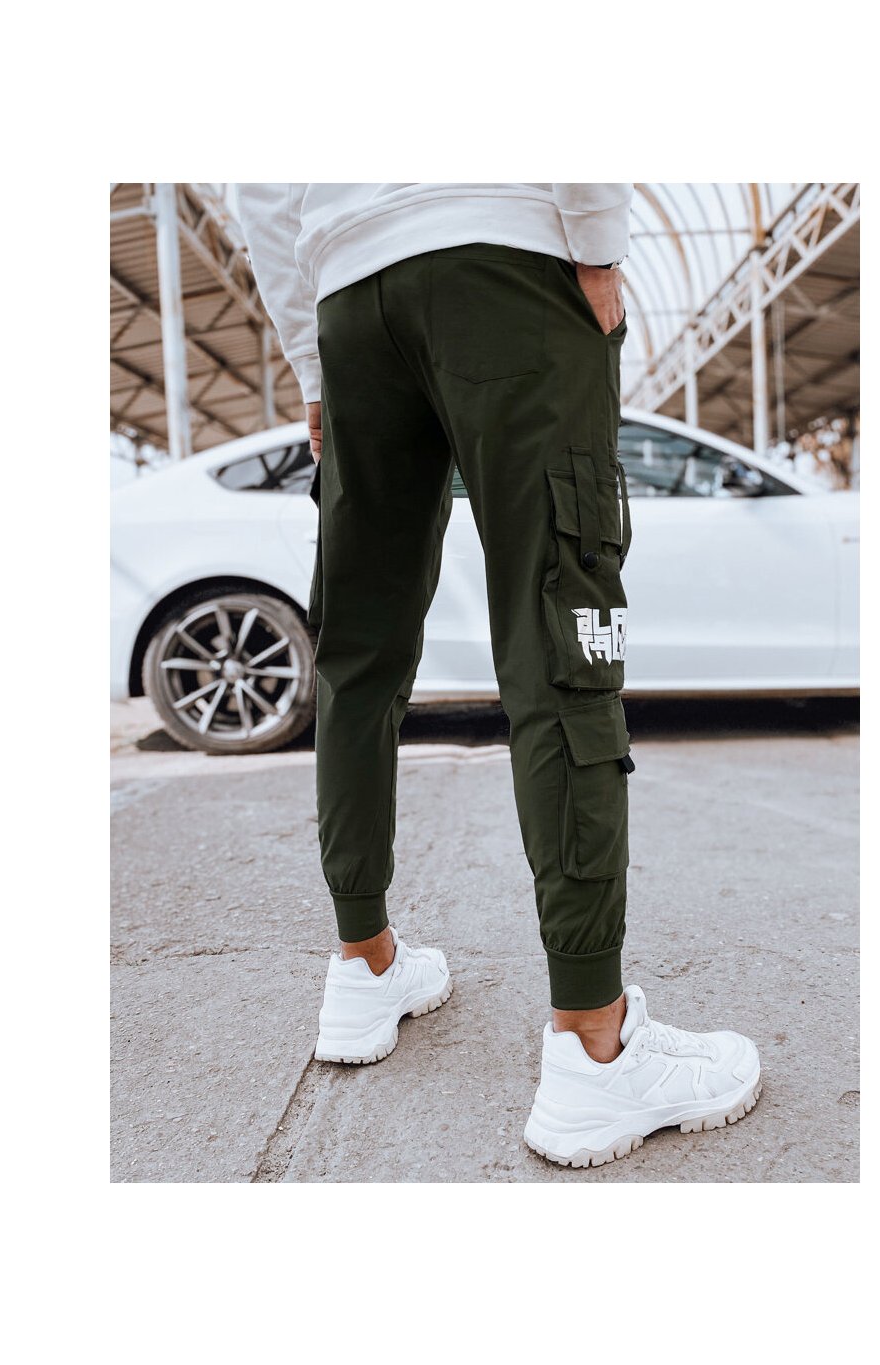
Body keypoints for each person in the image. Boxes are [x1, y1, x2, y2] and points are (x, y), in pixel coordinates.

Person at [236, 183, 761, 1168]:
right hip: (504, 257)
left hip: (348, 296)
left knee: (356, 653)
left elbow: (255, 183)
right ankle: (595, 1048)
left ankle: (363, 965)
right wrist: (596, 241)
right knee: (559, 636)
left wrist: (312, 359)